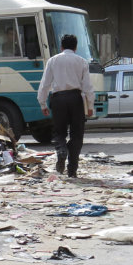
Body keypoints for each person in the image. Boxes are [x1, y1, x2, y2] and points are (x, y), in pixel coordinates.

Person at [37, 34, 94, 178]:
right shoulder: (81, 61)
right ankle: (72, 170)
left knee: (59, 132)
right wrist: (90, 105)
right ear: (75, 47)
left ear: (61, 47)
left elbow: (45, 84)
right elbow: (88, 86)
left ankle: (62, 150)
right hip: (76, 98)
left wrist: (43, 103)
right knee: (77, 135)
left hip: (58, 99)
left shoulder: (53, 61)